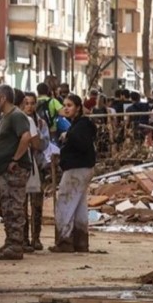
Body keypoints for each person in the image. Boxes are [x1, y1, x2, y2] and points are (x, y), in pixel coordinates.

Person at [0, 85, 33, 260]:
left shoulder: (16, 116)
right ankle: (10, 242)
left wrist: (15, 159)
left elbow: (26, 137)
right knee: (6, 207)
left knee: (14, 207)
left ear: (3, 98)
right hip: (4, 171)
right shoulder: (4, 117)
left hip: (14, 171)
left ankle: (16, 245)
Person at [51, 94, 97, 253]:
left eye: (70, 105)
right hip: (83, 168)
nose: (66, 108)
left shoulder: (81, 126)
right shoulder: (79, 125)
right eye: (64, 105)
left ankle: (65, 241)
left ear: (78, 108)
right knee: (78, 205)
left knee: (66, 202)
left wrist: (68, 136)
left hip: (76, 168)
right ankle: (80, 241)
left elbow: (81, 143)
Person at [19, 92, 54, 253]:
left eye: (32, 103)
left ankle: (36, 238)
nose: (29, 106)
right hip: (22, 166)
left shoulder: (40, 123)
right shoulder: (19, 121)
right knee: (21, 204)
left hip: (37, 166)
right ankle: (24, 238)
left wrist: (36, 141)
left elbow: (44, 143)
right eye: (26, 103)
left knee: (36, 204)